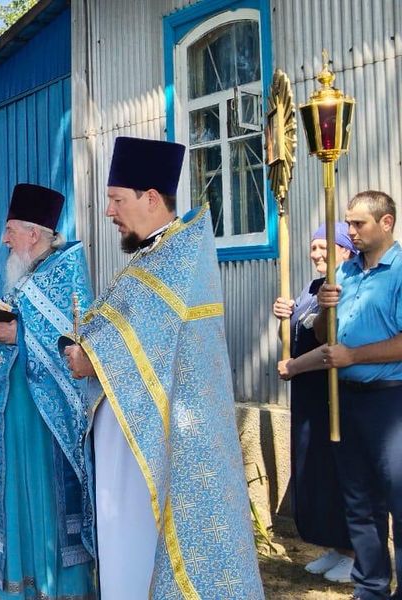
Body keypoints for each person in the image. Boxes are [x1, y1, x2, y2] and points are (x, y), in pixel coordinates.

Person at [64, 136, 264, 599]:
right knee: (124, 547)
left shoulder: (178, 256)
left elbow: (147, 337)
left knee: (140, 544)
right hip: (128, 439)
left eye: (116, 200)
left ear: (150, 198)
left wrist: (89, 356)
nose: (109, 212)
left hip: (158, 442)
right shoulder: (151, 257)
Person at [0, 184, 95, 598]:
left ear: (33, 233)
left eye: (10, 230)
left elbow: (73, 339)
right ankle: (19, 582)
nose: (4, 239)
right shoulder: (25, 274)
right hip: (13, 411)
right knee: (15, 493)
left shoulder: (65, 271)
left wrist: (17, 333)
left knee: (43, 497)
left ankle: (54, 587)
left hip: (46, 419)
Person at [313, 191, 402, 600]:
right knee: (360, 502)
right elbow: (324, 338)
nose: (350, 232)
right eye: (347, 223)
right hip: (345, 398)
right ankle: (370, 589)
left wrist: (353, 355)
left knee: (398, 498)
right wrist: (323, 307)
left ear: (386, 223)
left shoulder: (399, 271)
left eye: (358, 224)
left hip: (390, 401)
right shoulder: (344, 273)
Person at [273, 223, 356, 583]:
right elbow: (291, 338)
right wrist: (282, 318)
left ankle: (354, 553)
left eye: (327, 247)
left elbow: (330, 348)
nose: (318, 254)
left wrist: (293, 366)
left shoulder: (343, 288)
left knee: (339, 470)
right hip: (306, 395)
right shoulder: (310, 289)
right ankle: (333, 546)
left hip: (332, 393)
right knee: (316, 469)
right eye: (315, 247)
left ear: (346, 251)